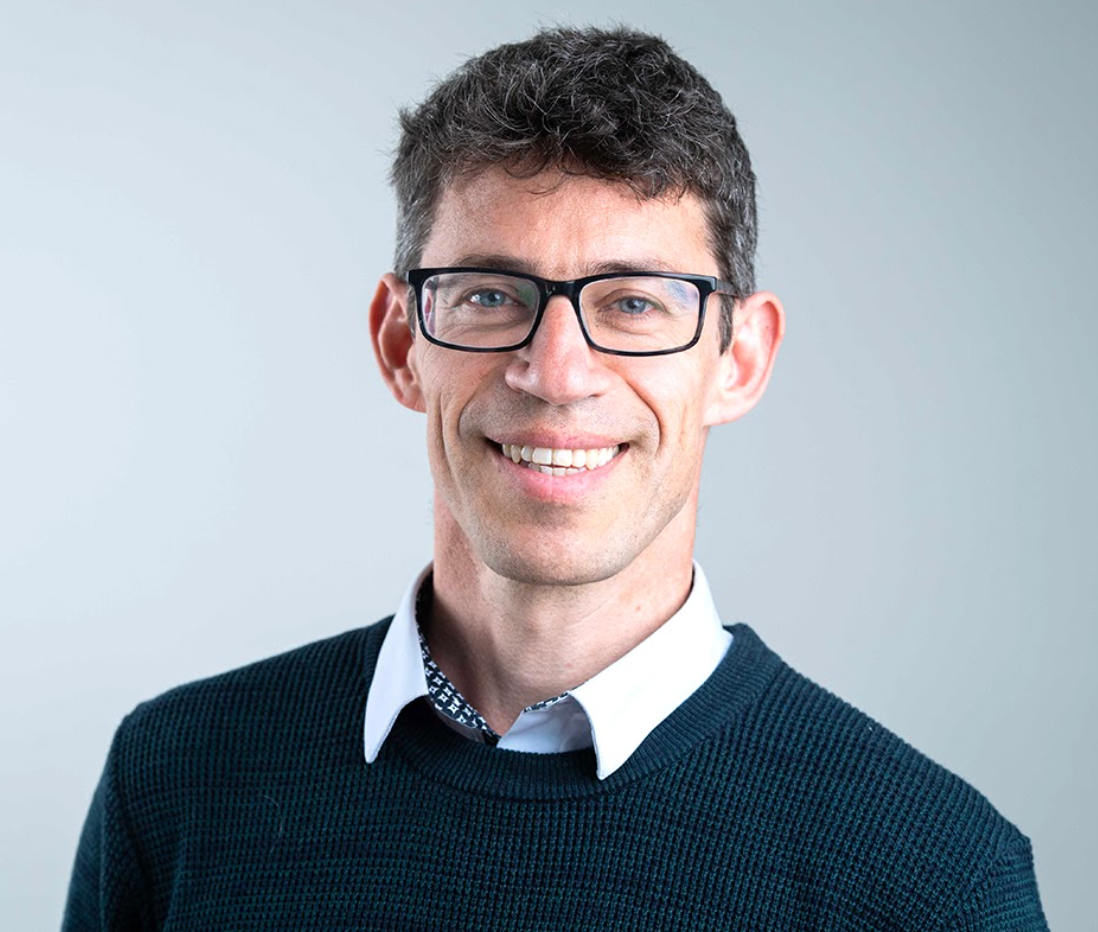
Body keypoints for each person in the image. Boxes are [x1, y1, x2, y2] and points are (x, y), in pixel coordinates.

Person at [63, 26, 1049, 931]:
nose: (557, 371)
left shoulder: (933, 876)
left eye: (633, 302)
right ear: (401, 340)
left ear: (738, 359)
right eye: (491, 294)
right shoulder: (178, 779)